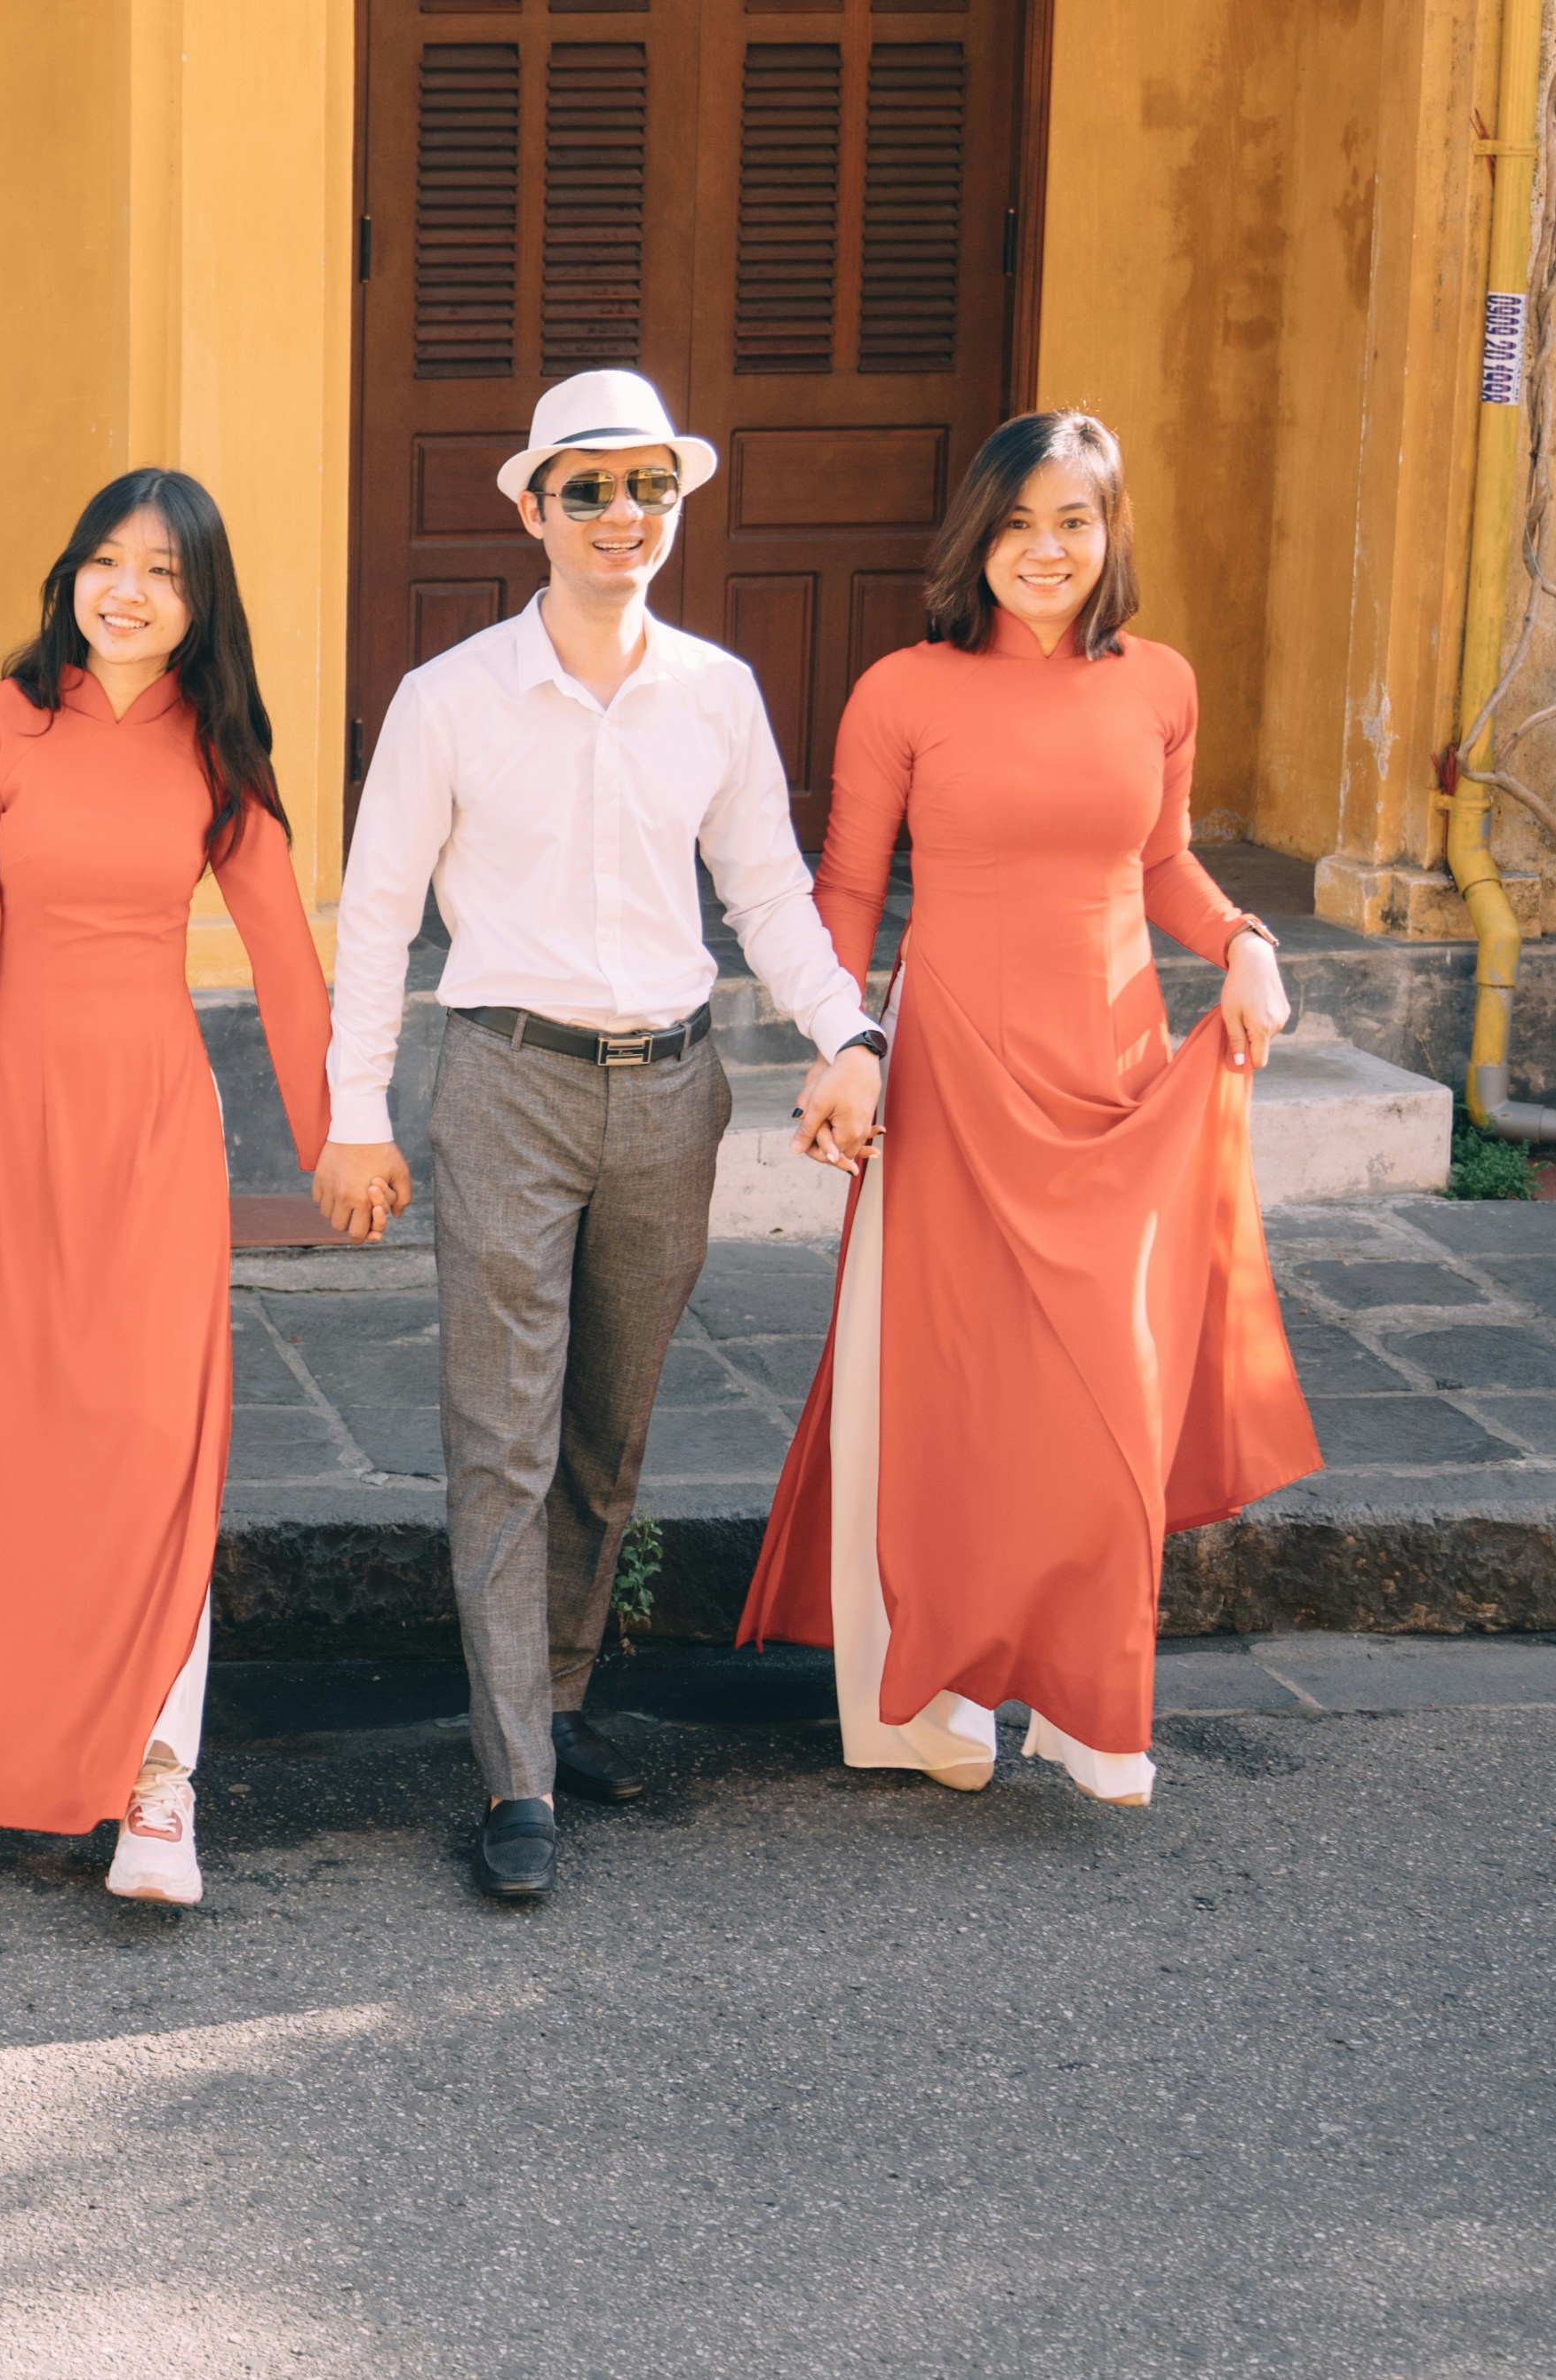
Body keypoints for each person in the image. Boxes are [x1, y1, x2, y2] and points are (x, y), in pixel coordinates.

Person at [311, 368, 890, 1906]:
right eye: (588, 488)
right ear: (533, 510)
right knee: (502, 1433)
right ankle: (515, 1774)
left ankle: (559, 1698)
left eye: (649, 485)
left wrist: (848, 1032)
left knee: (605, 1427)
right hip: (509, 1082)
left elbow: (766, 889)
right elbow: (375, 918)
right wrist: (356, 1113)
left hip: (674, 1091)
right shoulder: (447, 698)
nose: (622, 514)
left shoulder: (715, 691)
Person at [733, 413, 1317, 1805]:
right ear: (974, 539)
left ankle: (1085, 1697)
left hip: (1115, 1081)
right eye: (1014, 524)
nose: (1043, 550)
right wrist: (844, 1043)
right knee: (953, 1397)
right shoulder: (902, 690)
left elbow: (1161, 862)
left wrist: (1244, 940)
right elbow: (845, 890)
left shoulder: (1159, 684)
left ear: (1110, 533)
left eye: (1072, 520)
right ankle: (932, 1694)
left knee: (1102, 1396)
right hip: (950, 1081)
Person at [0, 469, 331, 1908]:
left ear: (202, 603)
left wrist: (340, 1136)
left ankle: (158, 1781)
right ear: (70, 572)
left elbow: (283, 955)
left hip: (152, 1127)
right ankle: (43, 1732)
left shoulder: (218, 749)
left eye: (164, 572)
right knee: (32, 1440)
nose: (128, 592)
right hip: (15, 1126)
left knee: (154, 1442)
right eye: (106, 562)